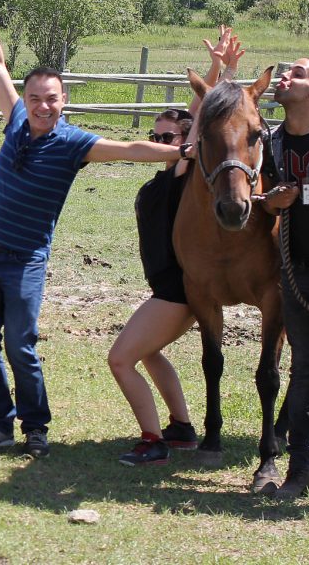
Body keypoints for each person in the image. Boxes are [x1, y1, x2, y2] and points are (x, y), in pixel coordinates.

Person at [0, 0, 195, 457]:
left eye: (51, 98)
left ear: (64, 100)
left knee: (20, 347)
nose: (42, 106)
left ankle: (36, 430)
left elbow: (132, 148)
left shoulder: (75, 143)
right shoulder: (16, 119)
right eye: (35, 98)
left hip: (24, 259)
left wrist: (182, 153)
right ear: (26, 101)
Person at [107, 26, 245, 466]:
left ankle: (154, 441)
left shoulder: (183, 168)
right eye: (156, 135)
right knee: (146, 354)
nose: (160, 142)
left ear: (188, 143)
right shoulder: (165, 177)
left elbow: (202, 112)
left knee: (120, 359)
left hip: (178, 293)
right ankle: (182, 428)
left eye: (169, 138)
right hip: (166, 287)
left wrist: (217, 70)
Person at [261, 56, 309, 499]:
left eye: (298, 74)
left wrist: (302, 192)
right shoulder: (270, 143)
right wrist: (273, 202)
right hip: (298, 274)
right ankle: (298, 475)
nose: (285, 76)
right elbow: (268, 203)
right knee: (303, 372)